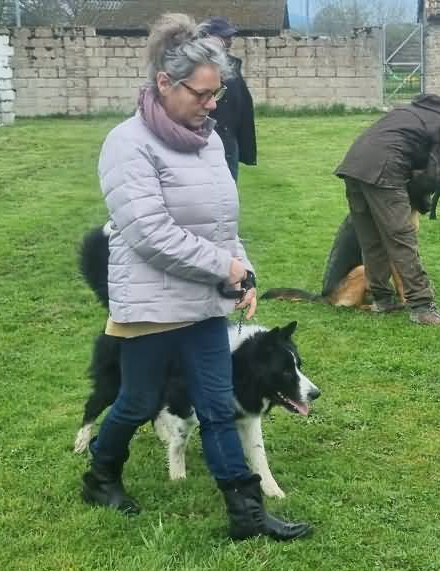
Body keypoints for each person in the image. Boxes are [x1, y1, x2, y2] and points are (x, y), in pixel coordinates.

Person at [81, 13, 310, 542]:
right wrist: (223, 266)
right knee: (138, 402)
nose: (212, 105)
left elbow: (222, 224)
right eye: (202, 94)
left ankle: (247, 515)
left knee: (216, 404)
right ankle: (100, 477)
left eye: (217, 94)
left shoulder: (208, 141)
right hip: (149, 306)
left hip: (203, 302)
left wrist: (243, 271)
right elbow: (149, 233)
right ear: (165, 83)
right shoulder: (127, 143)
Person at [334, 93, 440, 326]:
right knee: (402, 238)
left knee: (371, 239)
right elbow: (434, 176)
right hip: (385, 169)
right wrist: (418, 200)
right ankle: (422, 306)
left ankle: (382, 299)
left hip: (354, 166)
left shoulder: (413, 110)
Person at [201, 17, 257, 180]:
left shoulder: (232, 66)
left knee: (230, 186)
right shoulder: (196, 66)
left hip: (229, 138)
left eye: (230, 37)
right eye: (224, 37)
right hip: (207, 135)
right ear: (208, 37)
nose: (229, 41)